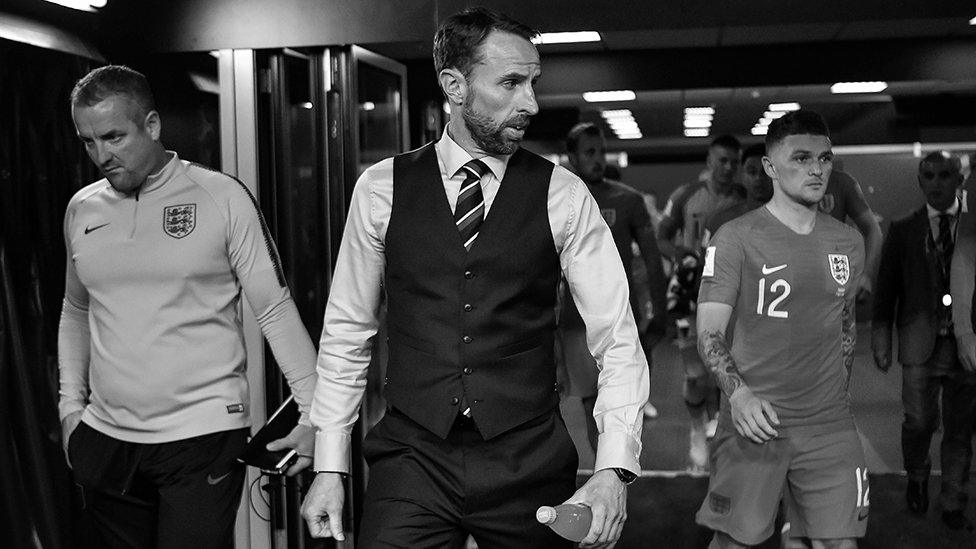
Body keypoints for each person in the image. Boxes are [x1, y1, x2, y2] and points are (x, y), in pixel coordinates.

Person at [300, 8, 649, 548]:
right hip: (413, 457)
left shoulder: (564, 194)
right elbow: (348, 330)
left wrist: (612, 470)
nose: (530, 103)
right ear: (454, 85)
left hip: (527, 458)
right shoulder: (380, 189)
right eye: (510, 83)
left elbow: (617, 337)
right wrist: (329, 466)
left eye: (533, 83)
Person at [58, 66, 317, 547]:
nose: (101, 155)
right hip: (106, 438)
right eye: (88, 141)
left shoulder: (222, 196)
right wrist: (69, 407)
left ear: (152, 126)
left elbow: (275, 309)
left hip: (202, 436)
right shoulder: (82, 208)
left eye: (114, 136)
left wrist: (314, 414)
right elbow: (75, 310)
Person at [695, 110, 868, 548]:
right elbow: (710, 331)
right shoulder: (735, 238)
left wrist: (836, 396)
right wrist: (740, 395)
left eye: (825, 159)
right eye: (802, 158)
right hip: (756, 422)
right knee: (736, 543)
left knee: (840, 543)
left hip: (829, 426)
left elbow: (846, 326)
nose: (817, 169)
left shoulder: (847, 242)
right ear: (770, 167)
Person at [873, 151, 976, 529]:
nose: (936, 183)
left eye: (944, 175)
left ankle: (953, 501)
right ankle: (917, 475)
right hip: (919, 344)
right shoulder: (903, 230)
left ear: (958, 181)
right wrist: (881, 334)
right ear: (920, 182)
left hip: (967, 345)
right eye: (928, 176)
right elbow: (886, 289)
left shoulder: (974, 227)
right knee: (918, 421)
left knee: (961, 429)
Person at [561, 122, 668, 449]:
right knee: (591, 406)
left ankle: (624, 478)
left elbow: (653, 259)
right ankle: (602, 479)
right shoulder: (558, 200)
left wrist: (660, 315)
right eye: (590, 152)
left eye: (602, 151)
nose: (598, 159)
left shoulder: (628, 200)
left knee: (625, 407)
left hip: (624, 321)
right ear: (573, 157)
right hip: (575, 323)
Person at [656, 134, 742, 470]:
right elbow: (662, 235)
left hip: (731, 296)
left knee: (728, 369)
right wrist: (680, 255)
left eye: (733, 162)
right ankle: (696, 429)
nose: (728, 167)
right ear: (709, 161)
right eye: (722, 160)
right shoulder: (686, 195)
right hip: (690, 296)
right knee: (695, 375)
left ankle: (719, 430)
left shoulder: (744, 198)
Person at [819, 167, 883, 299]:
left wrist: (866, 275)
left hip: (832, 285)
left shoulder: (839, 182)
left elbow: (873, 231)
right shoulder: (782, 180)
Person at [702, 142, 774, 245]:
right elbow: (705, 259)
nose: (759, 178)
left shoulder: (795, 220)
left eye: (765, 172)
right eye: (752, 172)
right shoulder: (720, 221)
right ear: (742, 176)